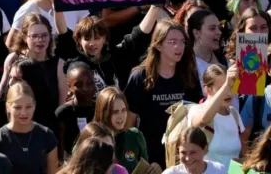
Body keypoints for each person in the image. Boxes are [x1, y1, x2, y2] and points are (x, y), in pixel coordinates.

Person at [124, 20, 203, 167]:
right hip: (149, 156)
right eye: (172, 42)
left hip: (182, 157)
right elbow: (129, 123)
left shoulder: (188, 75)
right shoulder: (140, 76)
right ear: (158, 45)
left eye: (182, 42)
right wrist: (133, 157)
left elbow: (198, 112)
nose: (179, 47)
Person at [0, 14, 67, 109]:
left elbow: (62, 103)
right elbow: (2, 89)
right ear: (25, 38)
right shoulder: (13, 59)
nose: (40, 40)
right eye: (34, 36)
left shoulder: (59, 64)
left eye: (44, 35)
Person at [0, 81, 58, 174]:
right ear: (8, 107)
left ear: (34, 105)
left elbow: (53, 171)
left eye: (28, 107)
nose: (23, 113)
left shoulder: (47, 135)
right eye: (18, 107)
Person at [188, 65, 243, 170]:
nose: (228, 92)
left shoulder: (234, 114)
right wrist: (226, 84)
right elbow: (204, 119)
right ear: (207, 90)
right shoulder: (196, 110)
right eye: (221, 88)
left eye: (231, 86)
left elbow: (241, 154)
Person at [93, 87, 152, 174]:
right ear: (103, 112)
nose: (121, 116)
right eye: (115, 112)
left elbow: (146, 168)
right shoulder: (90, 140)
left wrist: (153, 168)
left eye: (124, 110)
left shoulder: (135, 136)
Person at [55, 62, 96, 160]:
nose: (85, 89)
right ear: (69, 86)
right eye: (79, 85)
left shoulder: (100, 107)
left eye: (90, 83)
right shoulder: (64, 112)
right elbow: (59, 144)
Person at [187, 9, 226, 88]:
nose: (219, 32)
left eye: (219, 28)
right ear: (196, 33)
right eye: (212, 28)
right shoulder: (186, 64)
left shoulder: (225, 59)